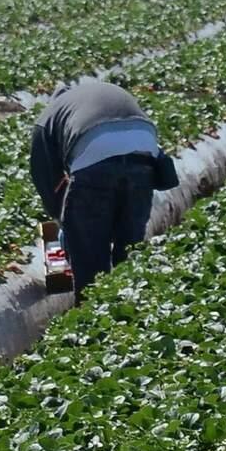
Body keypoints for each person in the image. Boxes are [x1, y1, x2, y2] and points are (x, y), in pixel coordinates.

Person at [28, 79, 179, 296]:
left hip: (94, 158)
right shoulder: (100, 94)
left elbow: (45, 178)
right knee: (129, 246)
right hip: (143, 154)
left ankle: (92, 314)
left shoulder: (49, 116)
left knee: (90, 254)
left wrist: (64, 222)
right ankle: (130, 309)